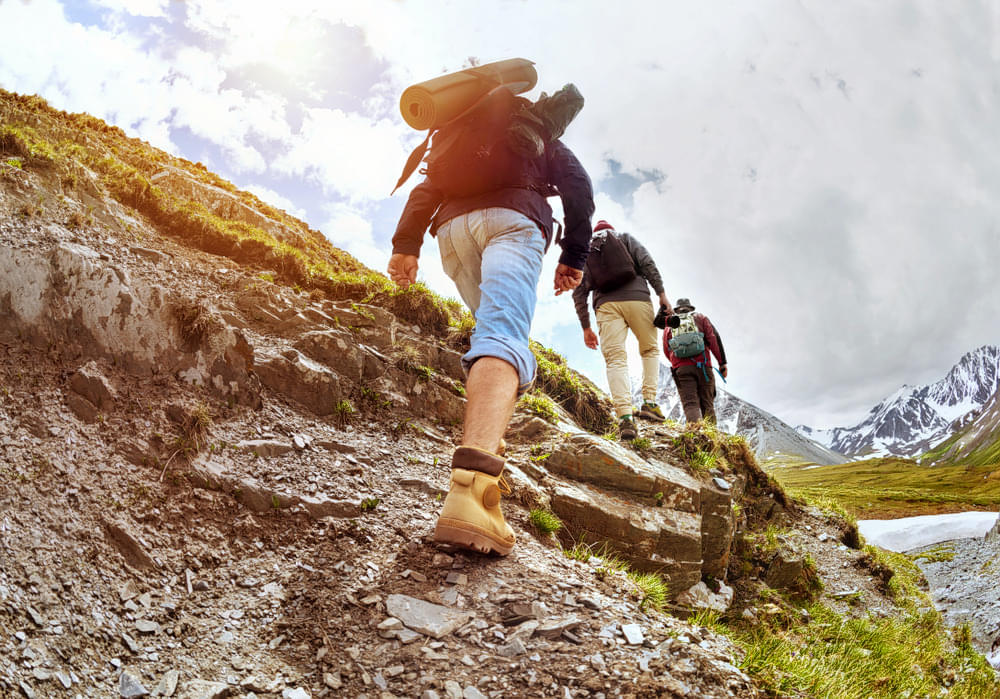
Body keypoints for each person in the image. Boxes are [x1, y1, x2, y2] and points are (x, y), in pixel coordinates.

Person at [387, 101, 594, 557]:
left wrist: (406, 246)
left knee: (490, 332)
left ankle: (491, 436)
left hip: (453, 232)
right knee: (502, 337)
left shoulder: (456, 133)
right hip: (513, 221)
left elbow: (426, 189)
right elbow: (579, 186)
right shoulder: (538, 133)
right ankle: (473, 490)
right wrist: (574, 257)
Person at [571, 220, 671, 440]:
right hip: (638, 299)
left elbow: (578, 293)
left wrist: (586, 326)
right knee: (649, 350)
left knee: (615, 359)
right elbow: (647, 263)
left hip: (606, 307)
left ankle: (625, 418)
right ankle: (650, 403)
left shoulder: (586, 252)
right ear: (611, 231)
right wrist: (661, 294)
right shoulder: (624, 239)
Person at [663, 298, 728, 424]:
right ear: (690, 308)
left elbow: (667, 349)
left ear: (677, 310)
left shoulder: (669, 325)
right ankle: (711, 439)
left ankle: (697, 436)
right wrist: (722, 363)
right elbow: (714, 339)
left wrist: (678, 363)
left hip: (682, 370)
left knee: (690, 404)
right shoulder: (701, 318)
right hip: (704, 368)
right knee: (707, 404)